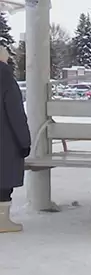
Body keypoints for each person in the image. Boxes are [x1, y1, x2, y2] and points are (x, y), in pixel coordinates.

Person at [0, 45, 31, 233]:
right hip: (5, 142)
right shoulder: (6, 80)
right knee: (3, 183)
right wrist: (24, 142)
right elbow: (16, 115)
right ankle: (3, 221)